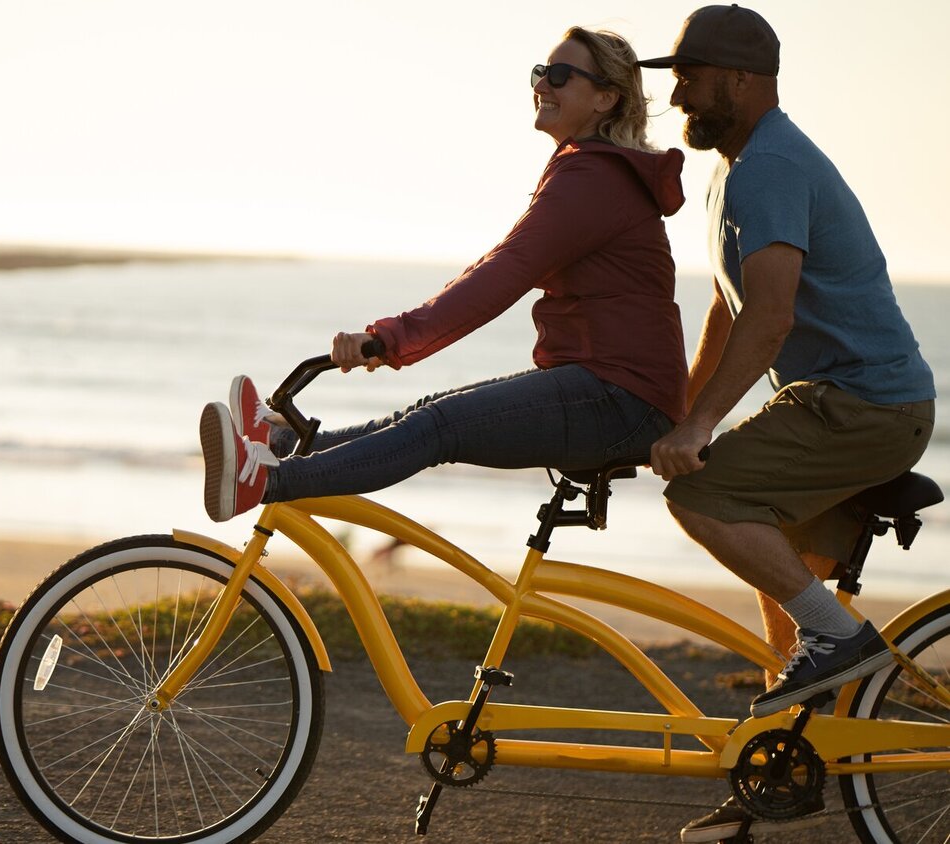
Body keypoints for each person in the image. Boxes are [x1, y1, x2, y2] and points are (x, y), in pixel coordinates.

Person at [639, 5, 936, 841]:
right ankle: (781, 765)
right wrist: (680, 411)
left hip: (861, 405)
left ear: (741, 80)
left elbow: (769, 319)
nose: (678, 91)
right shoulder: (739, 168)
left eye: (691, 76)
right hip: (849, 402)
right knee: (790, 592)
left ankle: (843, 647)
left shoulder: (769, 165)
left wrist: (699, 432)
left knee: (707, 501)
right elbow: (729, 311)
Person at [199, 26, 689, 524]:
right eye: (540, 72)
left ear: (606, 97)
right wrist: (392, 340)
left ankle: (267, 480)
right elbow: (501, 261)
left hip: (621, 401)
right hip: (610, 389)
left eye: (560, 76)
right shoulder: (588, 169)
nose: (542, 85)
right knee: (431, 409)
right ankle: (282, 442)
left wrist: (389, 339)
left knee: (438, 426)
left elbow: (504, 273)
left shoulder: (595, 178)